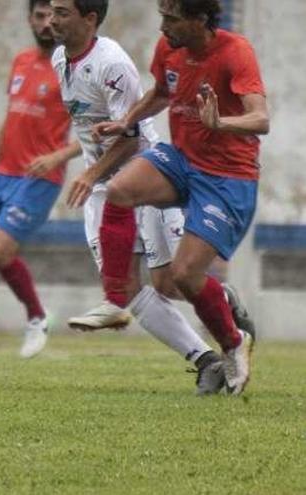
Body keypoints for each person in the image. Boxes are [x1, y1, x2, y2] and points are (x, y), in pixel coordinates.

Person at [87, 0, 267, 395]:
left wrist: (222, 123)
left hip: (228, 177)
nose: (162, 26)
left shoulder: (236, 52)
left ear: (200, 18)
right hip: (182, 162)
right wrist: (126, 121)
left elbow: (261, 118)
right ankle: (116, 299)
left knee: (184, 276)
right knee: (118, 189)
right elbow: (158, 93)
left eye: (172, 18)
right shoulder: (169, 47)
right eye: (162, 16)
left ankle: (234, 343)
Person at [49, 0, 227, 394]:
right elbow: (86, 124)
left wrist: (92, 172)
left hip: (142, 178)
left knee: (172, 284)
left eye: (62, 12)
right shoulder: (60, 57)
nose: (51, 20)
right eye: (50, 11)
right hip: (101, 187)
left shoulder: (113, 64)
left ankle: (230, 315)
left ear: (90, 17)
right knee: (126, 288)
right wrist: (83, 166)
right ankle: (207, 361)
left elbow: (130, 139)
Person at [0, 0, 80, 359]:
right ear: (30, 19)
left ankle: (37, 317)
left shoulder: (72, 69)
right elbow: (10, 121)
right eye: (40, 16)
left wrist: (58, 156)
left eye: (53, 16)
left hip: (39, 178)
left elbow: (95, 131)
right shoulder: (21, 61)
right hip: (2, 174)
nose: (47, 24)